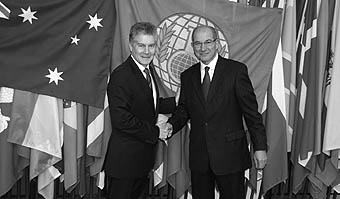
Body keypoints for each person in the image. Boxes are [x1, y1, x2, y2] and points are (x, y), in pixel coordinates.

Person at [165, 25, 268, 199]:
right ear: (192, 46)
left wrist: (260, 147)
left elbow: (251, 113)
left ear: (217, 43)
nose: (202, 48)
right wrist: (170, 126)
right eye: (197, 43)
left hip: (230, 155)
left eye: (208, 42)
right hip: (199, 157)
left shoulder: (236, 71)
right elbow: (184, 110)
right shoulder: (187, 76)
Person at [104, 22, 175, 199]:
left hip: (141, 163)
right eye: (141, 45)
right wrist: (156, 131)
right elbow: (121, 119)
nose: (146, 51)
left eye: (151, 46)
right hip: (124, 165)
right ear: (130, 46)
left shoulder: (148, 70)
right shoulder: (122, 75)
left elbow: (147, 105)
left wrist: (177, 102)